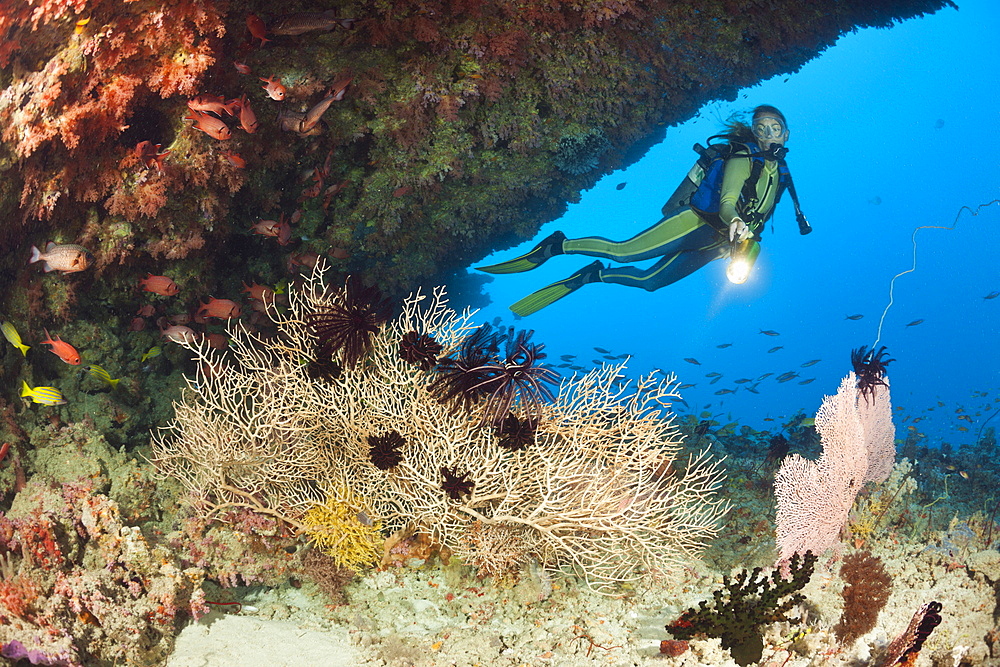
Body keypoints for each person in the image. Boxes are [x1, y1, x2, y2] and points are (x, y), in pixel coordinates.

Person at [477, 105, 810, 317]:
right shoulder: (743, 156)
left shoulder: (782, 176)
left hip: (718, 245)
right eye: (761, 128)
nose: (768, 133)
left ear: (786, 133)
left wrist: (743, 245)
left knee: (651, 282)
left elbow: (760, 217)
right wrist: (734, 220)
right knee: (623, 252)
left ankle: (591, 275)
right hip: (696, 222)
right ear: (754, 133)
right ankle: (555, 245)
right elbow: (727, 202)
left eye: (775, 127)